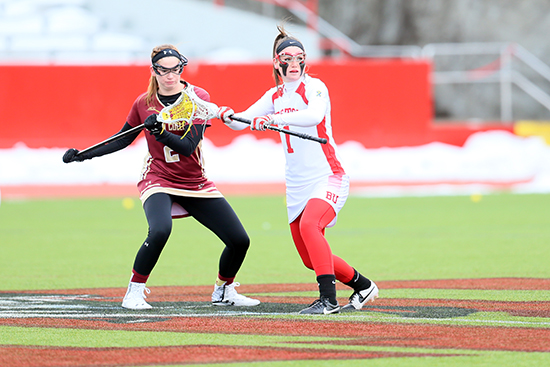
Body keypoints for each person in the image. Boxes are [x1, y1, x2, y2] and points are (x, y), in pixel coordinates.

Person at [63, 44, 260, 310]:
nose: (170, 75)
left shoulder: (198, 99)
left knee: (239, 240)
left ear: (182, 68)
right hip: (158, 177)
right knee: (160, 230)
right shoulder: (143, 103)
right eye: (163, 70)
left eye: (175, 69)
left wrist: (160, 132)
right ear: (154, 70)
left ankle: (223, 291)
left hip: (195, 182)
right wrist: (84, 155)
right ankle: (134, 291)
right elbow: (122, 139)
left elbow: (188, 146)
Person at [218, 26, 378, 315]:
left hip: (328, 176)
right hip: (297, 185)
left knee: (310, 227)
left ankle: (328, 300)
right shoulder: (274, 94)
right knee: (310, 258)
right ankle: (364, 286)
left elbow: (314, 115)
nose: (294, 63)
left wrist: (272, 118)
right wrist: (227, 115)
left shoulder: (315, 87)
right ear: (276, 62)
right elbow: (242, 121)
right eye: (287, 57)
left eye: (299, 57)